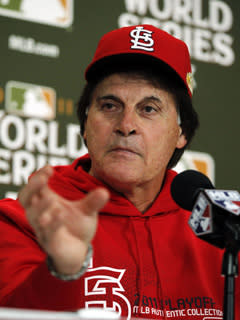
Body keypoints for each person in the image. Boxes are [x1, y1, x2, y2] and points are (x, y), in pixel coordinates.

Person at [0, 24, 239, 320]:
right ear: (86, 124)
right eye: (110, 105)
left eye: (149, 108)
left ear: (181, 133)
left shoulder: (225, 234)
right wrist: (62, 269)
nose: (126, 124)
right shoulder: (21, 222)